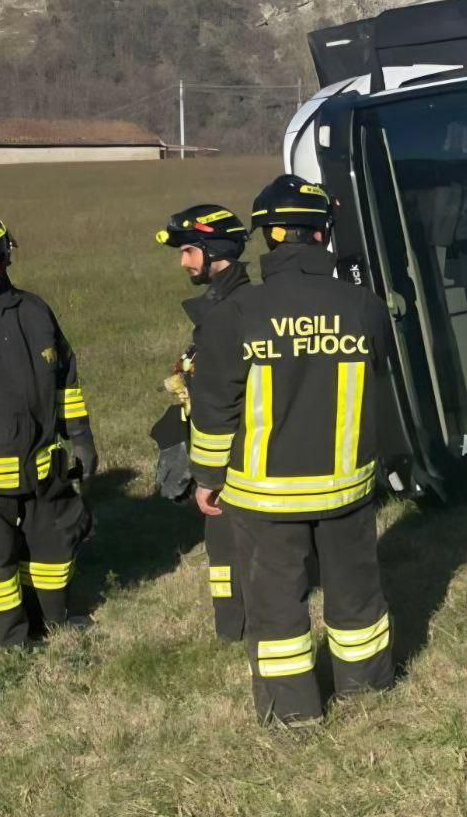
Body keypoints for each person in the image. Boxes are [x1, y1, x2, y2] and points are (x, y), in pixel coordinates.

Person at [189, 175, 395, 724]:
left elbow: (214, 408)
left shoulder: (236, 314)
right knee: (355, 597)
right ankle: (367, 691)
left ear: (267, 237)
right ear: (324, 234)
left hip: (264, 498)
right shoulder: (363, 306)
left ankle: (292, 712)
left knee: (277, 607)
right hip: (346, 490)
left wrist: (207, 477)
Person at [0, 211, 96, 653]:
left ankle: (53, 621)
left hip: (43, 465)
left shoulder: (35, 310)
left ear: (5, 259)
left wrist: (79, 435)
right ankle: (4, 648)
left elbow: (65, 377)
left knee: (53, 551)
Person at [152, 205, 251, 641]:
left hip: (235, 458)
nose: (184, 261)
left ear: (217, 252)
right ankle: (234, 625)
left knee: (229, 546)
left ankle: (236, 629)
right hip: (231, 453)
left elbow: (221, 398)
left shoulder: (232, 312)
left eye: (189, 250)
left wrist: (208, 473)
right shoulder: (225, 304)